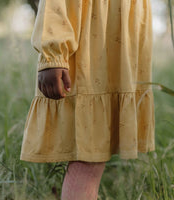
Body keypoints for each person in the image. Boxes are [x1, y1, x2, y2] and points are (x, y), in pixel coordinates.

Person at [20, 0, 155, 199]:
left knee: (92, 158)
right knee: (86, 158)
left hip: (121, 28)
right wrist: (53, 55)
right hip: (89, 34)